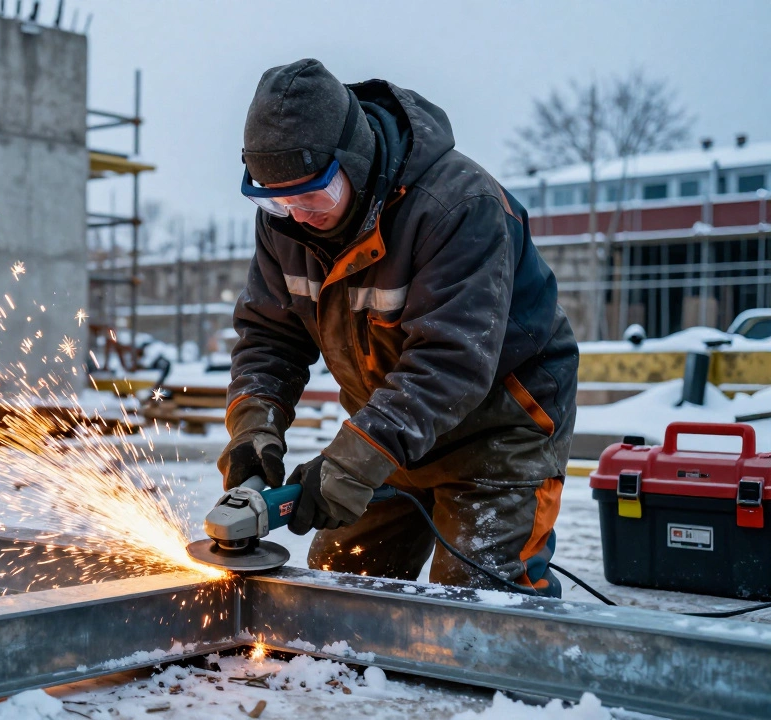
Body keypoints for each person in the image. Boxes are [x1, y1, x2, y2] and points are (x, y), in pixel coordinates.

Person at [218, 59, 577, 596]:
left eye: (313, 195)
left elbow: (449, 362)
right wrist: (253, 434)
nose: (296, 215)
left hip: (499, 430)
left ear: (354, 161)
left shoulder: (458, 207)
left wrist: (353, 461)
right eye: (277, 199)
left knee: (478, 610)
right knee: (342, 588)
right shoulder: (285, 223)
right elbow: (269, 338)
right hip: (390, 427)